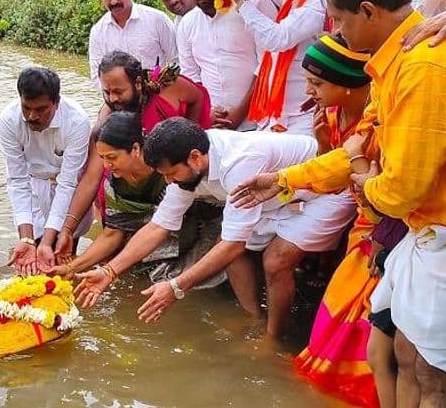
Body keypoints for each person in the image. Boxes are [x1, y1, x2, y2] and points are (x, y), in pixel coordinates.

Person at [235, 0, 446, 404]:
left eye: (339, 21)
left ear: (369, 12)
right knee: (404, 352)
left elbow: (398, 192)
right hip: (422, 236)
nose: (337, 33)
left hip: (443, 239)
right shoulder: (395, 63)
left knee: (433, 376)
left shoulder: (425, 68)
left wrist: (364, 184)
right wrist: (284, 179)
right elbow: (356, 151)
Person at [73, 119, 355, 336]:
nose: (169, 182)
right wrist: (109, 271)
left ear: (195, 158)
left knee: (275, 261)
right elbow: (158, 226)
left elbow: (233, 245)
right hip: (274, 201)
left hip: (323, 192)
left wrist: (176, 287)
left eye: (171, 174)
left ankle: (273, 337)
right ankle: (253, 317)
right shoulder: (187, 167)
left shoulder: (238, 164)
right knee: (230, 244)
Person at [231, 34, 387, 407]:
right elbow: (333, 172)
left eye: (317, 83)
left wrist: (287, 180)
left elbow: (360, 180)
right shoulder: (330, 115)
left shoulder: (378, 122)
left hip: (382, 224)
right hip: (352, 208)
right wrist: (322, 142)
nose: (310, 91)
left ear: (348, 86)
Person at [54, 51, 211, 261]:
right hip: (129, 190)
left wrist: (194, 132)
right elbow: (92, 177)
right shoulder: (108, 117)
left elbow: (198, 97)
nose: (113, 99)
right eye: (107, 92)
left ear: (138, 83)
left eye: (119, 91)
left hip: (170, 181)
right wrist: (67, 229)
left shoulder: (169, 88)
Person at [48, 112, 225, 287]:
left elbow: (163, 224)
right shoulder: (114, 184)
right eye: (102, 158)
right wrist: (72, 268)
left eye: (112, 157)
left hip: (196, 234)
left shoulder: (169, 171)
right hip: (150, 242)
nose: (106, 166)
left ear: (135, 149)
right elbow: (113, 232)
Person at [0, 67, 92, 276]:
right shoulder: (8, 120)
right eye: (26, 108)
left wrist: (49, 242)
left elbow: (68, 183)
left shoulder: (77, 122)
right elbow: (17, 180)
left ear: (56, 103)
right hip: (33, 185)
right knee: (30, 257)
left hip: (69, 189)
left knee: (62, 253)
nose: (32, 116)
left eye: (41, 110)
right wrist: (27, 239)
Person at [231, 0, 330, 134]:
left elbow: (277, 39)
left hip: (303, 118)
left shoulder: (320, 3)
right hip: (277, 116)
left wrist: (240, 0)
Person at [177, 0, 277, 130]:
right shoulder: (187, 23)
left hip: (260, 123)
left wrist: (240, 113)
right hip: (213, 127)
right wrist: (206, 111)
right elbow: (190, 75)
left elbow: (269, 63)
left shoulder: (254, 4)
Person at [89, 0, 177, 88]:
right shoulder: (98, 32)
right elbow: (97, 77)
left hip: (158, 97)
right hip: (119, 103)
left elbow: (177, 60)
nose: (114, 1)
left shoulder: (157, 20)